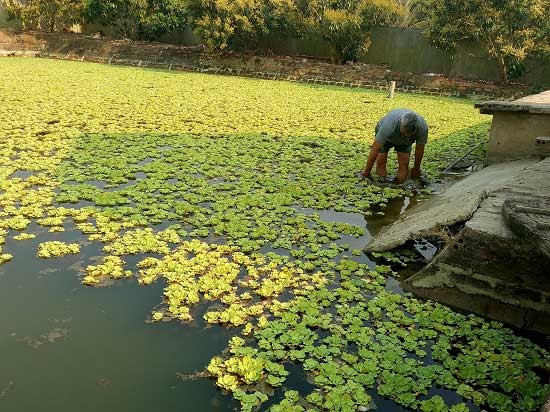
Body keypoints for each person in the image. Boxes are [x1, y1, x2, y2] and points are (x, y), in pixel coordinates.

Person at [359, 109, 428, 184]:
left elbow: (419, 150)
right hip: (387, 138)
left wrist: (416, 169)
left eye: (409, 134)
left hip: (405, 142)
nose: (406, 135)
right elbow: (375, 148)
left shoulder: (422, 128)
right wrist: (366, 172)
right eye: (404, 132)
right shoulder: (389, 124)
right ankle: (382, 182)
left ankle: (399, 185)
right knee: (381, 160)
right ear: (400, 124)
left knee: (404, 163)